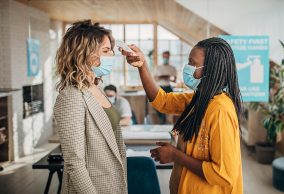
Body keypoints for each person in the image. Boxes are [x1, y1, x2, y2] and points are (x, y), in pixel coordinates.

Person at [121, 37, 243, 194]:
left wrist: (175, 155)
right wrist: (142, 65)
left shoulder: (220, 110)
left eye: (193, 64)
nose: (188, 68)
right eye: (188, 62)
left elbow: (223, 174)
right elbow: (162, 101)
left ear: (211, 69)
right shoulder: (200, 98)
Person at [54, 20, 127, 194]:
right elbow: (74, 163)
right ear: (85, 53)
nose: (112, 55)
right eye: (106, 50)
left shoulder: (97, 87)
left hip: (113, 183)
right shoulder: (71, 96)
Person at [154, 51, 177, 124]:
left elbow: (174, 80)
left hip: (168, 88)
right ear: (162, 57)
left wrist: (168, 77)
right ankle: (162, 119)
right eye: (164, 57)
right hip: (160, 88)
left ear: (169, 57)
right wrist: (163, 77)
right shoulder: (158, 68)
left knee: (170, 105)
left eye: (167, 57)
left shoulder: (172, 68)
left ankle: (169, 121)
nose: (165, 58)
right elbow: (155, 79)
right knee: (158, 105)